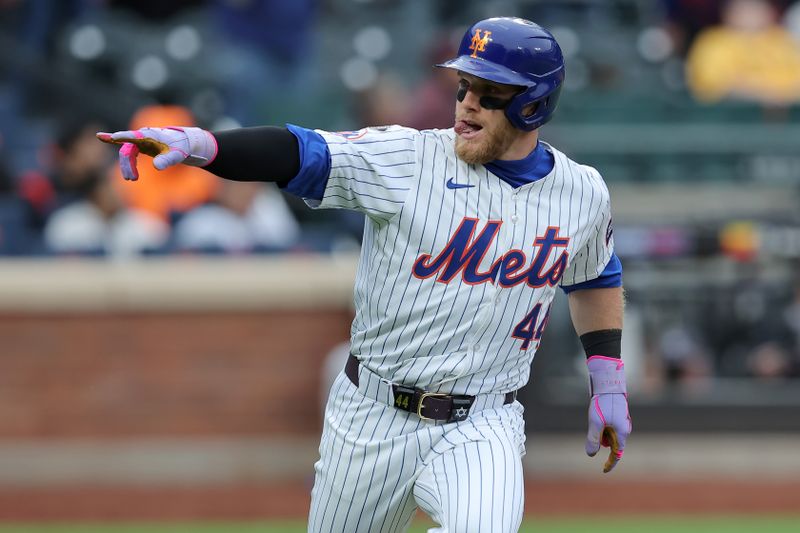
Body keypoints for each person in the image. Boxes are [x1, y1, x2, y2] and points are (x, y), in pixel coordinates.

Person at [97, 17, 632, 533]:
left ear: (534, 106)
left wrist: (607, 380)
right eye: (463, 85)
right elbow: (301, 151)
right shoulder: (407, 158)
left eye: (490, 93)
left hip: (483, 420)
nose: (467, 102)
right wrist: (204, 146)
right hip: (371, 414)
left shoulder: (581, 192)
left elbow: (594, 278)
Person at [685, 0, 800, 105]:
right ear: (728, 13)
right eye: (743, 8)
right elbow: (712, 86)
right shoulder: (712, 42)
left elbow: (795, 80)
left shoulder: (781, 40)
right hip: (726, 119)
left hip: (783, 121)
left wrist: (775, 92)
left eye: (755, 8)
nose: (750, 15)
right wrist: (762, 92)